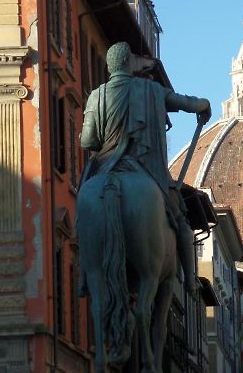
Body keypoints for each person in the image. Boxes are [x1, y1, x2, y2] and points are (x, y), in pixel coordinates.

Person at [80, 41, 211, 295]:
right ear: (128, 63)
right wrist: (204, 104)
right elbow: (187, 103)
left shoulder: (96, 96)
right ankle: (190, 279)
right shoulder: (152, 90)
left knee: (83, 215)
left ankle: (85, 276)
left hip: (106, 167)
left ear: (109, 66)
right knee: (181, 223)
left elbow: (88, 141)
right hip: (145, 170)